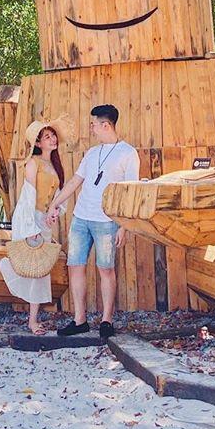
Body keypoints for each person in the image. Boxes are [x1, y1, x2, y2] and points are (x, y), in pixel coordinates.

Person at [0, 119, 68, 335]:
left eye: (53, 135)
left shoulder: (54, 165)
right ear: (37, 143)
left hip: (44, 221)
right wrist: (31, 227)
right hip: (30, 218)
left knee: (39, 270)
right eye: (47, 137)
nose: (52, 139)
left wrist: (55, 212)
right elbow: (27, 197)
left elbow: (57, 196)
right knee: (31, 268)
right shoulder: (33, 163)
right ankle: (32, 322)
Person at [45, 104, 138, 339]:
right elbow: (76, 181)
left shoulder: (128, 154)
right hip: (80, 218)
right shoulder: (92, 153)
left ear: (106, 125)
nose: (92, 128)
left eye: (94, 124)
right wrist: (55, 204)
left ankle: (107, 320)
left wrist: (124, 227)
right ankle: (80, 320)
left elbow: (132, 194)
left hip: (107, 222)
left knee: (105, 269)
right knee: (75, 266)